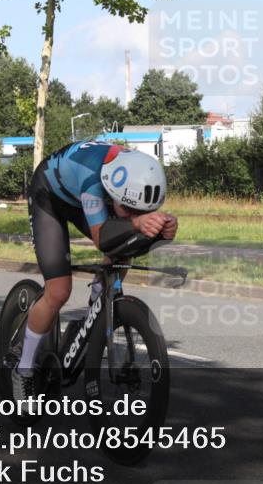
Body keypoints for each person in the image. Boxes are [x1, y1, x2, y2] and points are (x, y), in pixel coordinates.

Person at [13, 141, 178, 403]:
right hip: (50, 196)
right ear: (114, 192)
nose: (136, 214)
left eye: (143, 210)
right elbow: (103, 238)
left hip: (86, 196)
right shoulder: (93, 181)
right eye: (131, 209)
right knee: (58, 291)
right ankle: (23, 370)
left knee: (123, 248)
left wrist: (163, 231)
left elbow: (132, 233)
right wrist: (136, 223)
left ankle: (99, 298)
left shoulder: (133, 180)